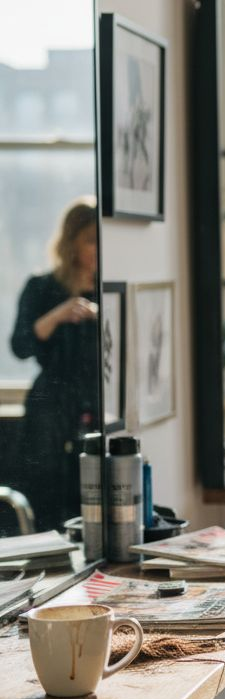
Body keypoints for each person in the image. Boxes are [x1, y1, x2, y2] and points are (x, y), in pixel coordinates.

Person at [7, 197, 99, 533]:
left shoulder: (111, 290)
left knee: (89, 487)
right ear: (72, 242)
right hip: (51, 402)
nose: (98, 250)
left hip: (95, 400)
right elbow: (19, 346)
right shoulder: (42, 287)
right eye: (90, 240)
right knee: (46, 484)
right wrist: (58, 315)